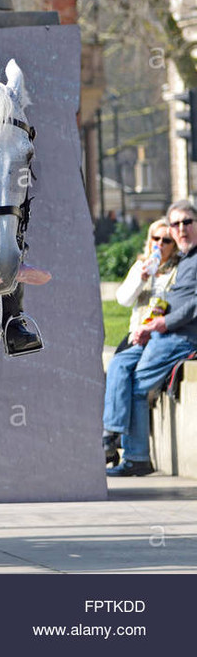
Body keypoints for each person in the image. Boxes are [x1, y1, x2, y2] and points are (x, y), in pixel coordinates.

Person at [103, 201, 197, 476]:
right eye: (176, 224)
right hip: (157, 334)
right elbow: (124, 298)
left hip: (178, 337)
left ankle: (134, 456)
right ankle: (112, 435)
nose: (181, 229)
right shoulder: (183, 259)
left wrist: (161, 323)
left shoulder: (190, 260)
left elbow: (193, 304)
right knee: (121, 364)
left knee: (137, 386)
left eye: (187, 222)